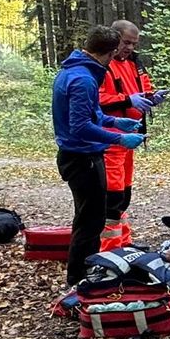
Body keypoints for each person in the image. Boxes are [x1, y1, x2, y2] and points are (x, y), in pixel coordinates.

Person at [52, 26, 145, 286]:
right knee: (90, 222)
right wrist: (118, 138)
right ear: (109, 52)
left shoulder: (76, 71)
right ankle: (79, 278)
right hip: (81, 157)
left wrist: (116, 122)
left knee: (89, 218)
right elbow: (79, 126)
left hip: (83, 154)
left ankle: (85, 271)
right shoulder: (83, 79)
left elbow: (93, 116)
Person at [98, 20, 167, 250]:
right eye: (126, 42)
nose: (129, 47)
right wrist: (128, 100)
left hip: (129, 137)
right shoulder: (102, 65)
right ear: (114, 38)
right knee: (112, 197)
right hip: (110, 138)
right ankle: (109, 250)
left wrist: (152, 96)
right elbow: (97, 99)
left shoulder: (134, 62)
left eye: (133, 43)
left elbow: (142, 86)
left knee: (124, 193)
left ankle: (123, 242)